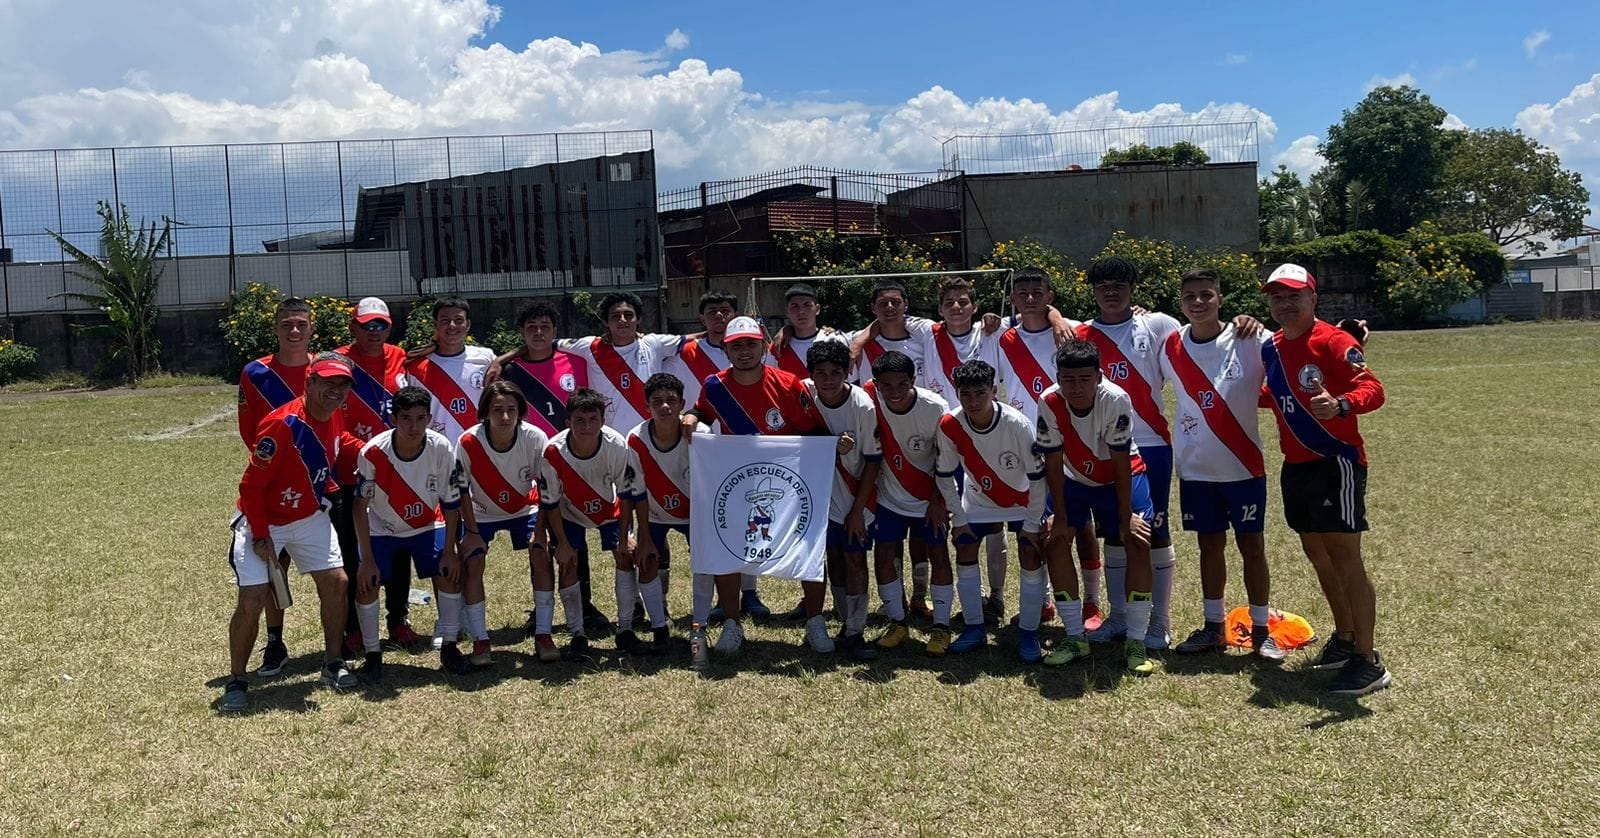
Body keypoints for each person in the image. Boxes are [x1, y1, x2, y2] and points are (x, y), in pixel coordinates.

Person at [1078, 257, 1262, 650]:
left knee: (1152, 532)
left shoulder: (1159, 325)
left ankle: (1159, 622)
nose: (1111, 292)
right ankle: (1119, 616)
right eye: (1103, 286)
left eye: (1120, 285)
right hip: (1105, 449)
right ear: (1093, 291)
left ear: (1133, 289)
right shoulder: (1081, 334)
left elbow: (1206, 335)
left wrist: (1245, 319)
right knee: (1114, 530)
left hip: (1152, 447)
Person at [1259, 263, 1389, 695]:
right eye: (1277, 297)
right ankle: (1345, 636)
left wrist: (1343, 405)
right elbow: (1273, 394)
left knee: (1345, 556)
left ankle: (1369, 661)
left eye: (1293, 295)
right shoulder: (1271, 348)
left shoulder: (1335, 340)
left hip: (1337, 463)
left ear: (1313, 298)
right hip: (1295, 465)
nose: (1285, 303)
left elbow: (1373, 389)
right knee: (1318, 553)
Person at [221, 353, 366, 712]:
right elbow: (251, 487)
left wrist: (373, 450)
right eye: (328, 383)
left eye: (343, 384)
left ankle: (333, 663)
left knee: (337, 581)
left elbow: (339, 441)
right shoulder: (281, 425)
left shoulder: (334, 412)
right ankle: (237, 680)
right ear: (309, 383)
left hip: (307, 515)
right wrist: (259, 534)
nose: (336, 391)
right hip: (264, 519)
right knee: (253, 597)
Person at [681, 316, 831, 657]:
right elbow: (702, 411)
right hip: (737, 484)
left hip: (789, 485)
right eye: (736, 346)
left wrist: (830, 451)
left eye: (751, 344)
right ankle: (733, 623)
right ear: (726, 349)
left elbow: (814, 434)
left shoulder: (789, 384)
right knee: (729, 548)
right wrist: (691, 416)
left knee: (807, 547)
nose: (744, 352)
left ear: (764, 346)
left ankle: (815, 620)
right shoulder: (715, 386)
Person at [1158, 269, 1283, 661]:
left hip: (1243, 467)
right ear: (1180, 302)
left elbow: (1288, 357)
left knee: (1252, 547)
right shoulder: (1171, 345)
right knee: (1209, 547)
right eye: (1190, 296)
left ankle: (1262, 631)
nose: (1198, 302)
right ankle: (1214, 627)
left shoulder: (1249, 337)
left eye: (1206, 295)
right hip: (1195, 470)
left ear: (1220, 299)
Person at [1035, 340, 1159, 674]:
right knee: (1055, 540)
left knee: (1136, 539)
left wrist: (1124, 518)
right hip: (1074, 479)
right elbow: (1053, 458)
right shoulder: (1048, 400)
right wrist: (1060, 518)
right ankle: (1075, 637)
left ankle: (1135, 640)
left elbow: (1119, 459)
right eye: (1068, 379)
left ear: (1099, 376)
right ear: (1058, 377)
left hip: (1120, 477)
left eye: (1084, 379)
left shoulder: (1115, 398)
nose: (1076, 387)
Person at [992, 268, 1102, 631]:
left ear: (1050, 296)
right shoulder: (1002, 338)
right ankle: (1042, 602)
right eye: (1021, 291)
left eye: (1037, 291)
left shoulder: (1072, 329)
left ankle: (1091, 601)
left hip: (1075, 441)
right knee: (1036, 526)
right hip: (1027, 445)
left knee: (1081, 524)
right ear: (1012, 299)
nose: (1029, 297)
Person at [933, 360, 1053, 660]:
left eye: (980, 393)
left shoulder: (1017, 424)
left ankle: (1028, 633)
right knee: (964, 545)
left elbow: (1039, 480)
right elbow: (945, 476)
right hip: (978, 503)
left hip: (1023, 500)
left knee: (1029, 551)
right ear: (957, 394)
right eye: (966, 394)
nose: (973, 401)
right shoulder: (950, 424)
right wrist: (958, 519)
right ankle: (974, 627)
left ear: (994, 392)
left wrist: (1030, 524)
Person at [404, 296, 501, 647]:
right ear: (435, 325)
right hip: (438, 461)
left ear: (468, 325)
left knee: (471, 543)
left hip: (479, 461)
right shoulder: (416, 365)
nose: (452, 327)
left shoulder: (485, 357)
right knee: (445, 540)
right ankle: (449, 619)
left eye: (458, 320)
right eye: (444, 320)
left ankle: (468, 616)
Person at [351, 386, 465, 676]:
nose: (414, 426)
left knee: (449, 572)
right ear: (394, 419)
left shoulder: (441, 447)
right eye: (406, 419)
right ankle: (373, 655)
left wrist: (451, 550)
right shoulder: (373, 451)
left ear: (429, 417)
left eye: (420, 418)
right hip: (383, 529)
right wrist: (366, 559)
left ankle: (451, 646)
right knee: (366, 582)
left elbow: (451, 503)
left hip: (428, 524)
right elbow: (359, 506)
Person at [333, 296, 421, 655]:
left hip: (397, 472)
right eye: (366, 325)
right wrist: (373, 453)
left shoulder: (400, 357)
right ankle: (353, 626)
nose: (373, 332)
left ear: (389, 327)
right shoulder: (337, 362)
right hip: (352, 472)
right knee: (353, 550)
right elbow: (333, 424)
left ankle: (398, 619)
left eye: (380, 325)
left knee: (399, 547)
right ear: (352, 326)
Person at [236, 297, 315, 676]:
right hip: (274, 482)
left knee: (336, 567)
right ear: (277, 329)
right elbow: (249, 431)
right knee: (274, 566)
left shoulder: (326, 369)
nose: (295, 331)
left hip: (320, 486)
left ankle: (348, 639)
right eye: (287, 325)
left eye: (301, 324)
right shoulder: (255, 373)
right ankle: (275, 641)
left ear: (311, 327)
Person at [456, 381, 552, 660]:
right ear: (485, 411)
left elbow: (546, 487)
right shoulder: (468, 441)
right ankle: (480, 640)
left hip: (526, 509)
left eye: (511, 409)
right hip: (481, 513)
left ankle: (544, 635)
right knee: (472, 559)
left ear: (521, 411)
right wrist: (471, 532)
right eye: (498, 410)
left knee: (542, 554)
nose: (505, 417)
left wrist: (542, 531)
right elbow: (461, 491)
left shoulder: (534, 437)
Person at [539, 388, 635, 662]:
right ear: (567, 422)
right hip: (569, 513)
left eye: (593, 419)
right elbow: (551, 502)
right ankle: (577, 634)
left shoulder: (616, 444)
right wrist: (562, 543)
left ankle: (625, 630)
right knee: (567, 563)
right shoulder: (553, 450)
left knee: (625, 556)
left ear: (603, 421)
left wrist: (626, 533)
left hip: (609, 510)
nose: (586, 426)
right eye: (579, 420)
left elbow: (626, 493)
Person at [863, 350, 950, 651]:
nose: (895, 392)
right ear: (876, 384)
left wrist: (939, 500)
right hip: (889, 498)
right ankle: (897, 622)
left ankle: (941, 626)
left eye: (902, 384)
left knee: (939, 556)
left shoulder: (935, 407)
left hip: (929, 499)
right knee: (884, 556)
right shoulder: (868, 399)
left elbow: (947, 457)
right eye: (887, 386)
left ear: (914, 380)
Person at [803, 339, 882, 661]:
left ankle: (856, 630)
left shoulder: (861, 405)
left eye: (836, 372)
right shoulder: (805, 397)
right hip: (820, 495)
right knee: (832, 558)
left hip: (855, 496)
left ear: (848, 371)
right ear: (811, 375)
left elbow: (874, 460)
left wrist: (857, 510)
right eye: (820, 373)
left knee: (854, 560)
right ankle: (842, 617)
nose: (828, 380)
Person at [618, 373, 703, 656]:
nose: (665, 406)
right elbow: (633, 491)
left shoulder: (700, 434)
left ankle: (700, 622)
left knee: (706, 563)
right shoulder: (636, 438)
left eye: (671, 400)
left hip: (694, 514)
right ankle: (659, 626)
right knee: (648, 558)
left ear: (682, 404)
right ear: (647, 407)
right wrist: (638, 535)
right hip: (653, 513)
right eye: (657, 402)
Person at [536, 292, 685, 433]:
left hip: (648, 437)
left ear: (638, 319)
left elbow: (699, 339)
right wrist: (513, 353)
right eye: (615, 316)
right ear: (606, 321)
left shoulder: (654, 344)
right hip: (608, 440)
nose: (622, 320)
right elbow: (543, 343)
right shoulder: (590, 346)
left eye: (628, 315)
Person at [495, 300, 589, 439]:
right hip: (527, 449)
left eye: (545, 326)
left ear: (554, 331)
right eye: (532, 327)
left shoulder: (577, 363)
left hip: (570, 448)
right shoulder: (508, 371)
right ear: (522, 332)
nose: (538, 332)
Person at [767, 283, 848, 379]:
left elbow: (849, 380)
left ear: (817, 309)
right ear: (787, 312)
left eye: (807, 305)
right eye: (795, 306)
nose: (801, 312)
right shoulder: (778, 346)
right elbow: (770, 380)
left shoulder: (834, 340)